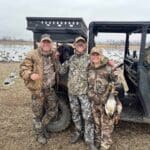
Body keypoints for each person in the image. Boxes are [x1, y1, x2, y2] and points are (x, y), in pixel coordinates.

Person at [59, 36, 97, 150]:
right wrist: (56, 58)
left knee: (87, 116)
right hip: (72, 93)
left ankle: (89, 140)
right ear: (74, 45)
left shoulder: (89, 58)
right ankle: (78, 132)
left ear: (84, 46)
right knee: (75, 114)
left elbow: (100, 64)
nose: (80, 45)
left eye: (82, 44)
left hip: (84, 93)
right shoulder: (71, 59)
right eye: (78, 44)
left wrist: (109, 62)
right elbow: (61, 70)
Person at [20, 34, 59, 145]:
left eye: (48, 42)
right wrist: (30, 74)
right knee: (37, 114)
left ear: (50, 44)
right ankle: (39, 134)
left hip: (49, 89)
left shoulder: (52, 54)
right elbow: (23, 69)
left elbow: (57, 67)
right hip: (38, 90)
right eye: (44, 42)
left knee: (53, 110)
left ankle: (42, 127)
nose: (46, 44)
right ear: (40, 43)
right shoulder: (32, 54)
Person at [87, 47, 122, 150]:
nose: (95, 57)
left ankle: (105, 144)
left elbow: (117, 83)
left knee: (106, 124)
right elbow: (88, 84)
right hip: (94, 101)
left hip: (106, 102)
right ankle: (98, 141)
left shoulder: (108, 68)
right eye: (93, 54)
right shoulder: (89, 68)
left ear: (101, 56)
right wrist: (91, 96)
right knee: (97, 123)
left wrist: (117, 74)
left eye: (97, 55)